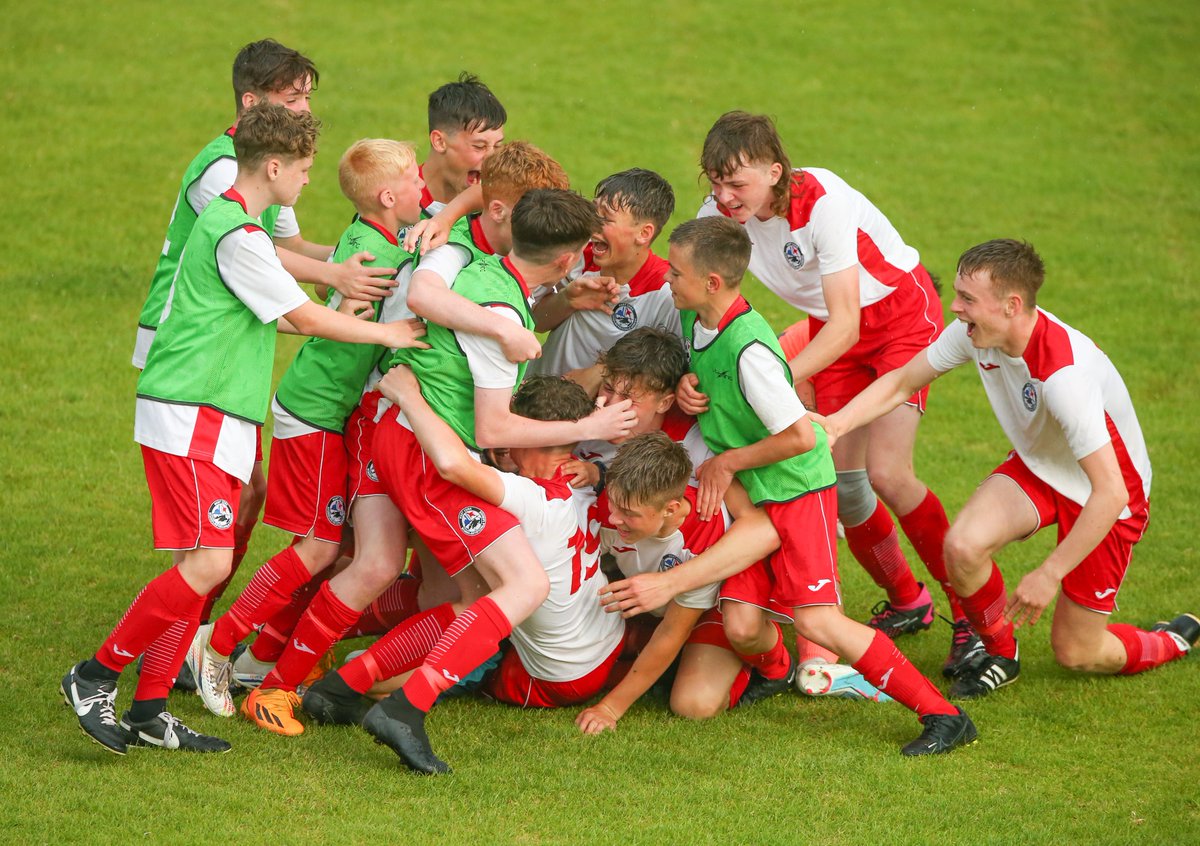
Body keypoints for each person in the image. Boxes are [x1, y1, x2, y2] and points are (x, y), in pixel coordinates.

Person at [60, 104, 428, 755]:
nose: (309, 181)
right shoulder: (238, 234)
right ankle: (94, 676)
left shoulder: (241, 228)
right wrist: (385, 332)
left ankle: (149, 709)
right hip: (192, 412)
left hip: (217, 412)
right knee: (208, 562)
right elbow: (304, 320)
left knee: (198, 565)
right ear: (275, 166)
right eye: (305, 169)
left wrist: (338, 312)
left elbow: (281, 316)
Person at [650, 216, 975, 755]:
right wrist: (689, 383)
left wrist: (728, 461)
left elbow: (802, 437)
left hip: (796, 492)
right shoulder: (695, 318)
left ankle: (943, 715)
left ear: (712, 282)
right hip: (754, 496)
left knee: (818, 620)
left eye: (676, 273)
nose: (667, 279)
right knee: (740, 624)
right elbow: (710, 375)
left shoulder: (751, 352)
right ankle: (776, 672)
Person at [821, 238, 1200, 697]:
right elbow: (902, 381)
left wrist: (1049, 573)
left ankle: (1171, 640)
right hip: (1041, 466)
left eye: (967, 299)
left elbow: (1112, 492)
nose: (955, 307)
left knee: (1078, 652)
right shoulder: (974, 334)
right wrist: (837, 424)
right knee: (962, 546)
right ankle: (1001, 652)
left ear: (1011, 305)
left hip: (1107, 493)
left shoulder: (1065, 377)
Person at [132, 40, 400, 649]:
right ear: (252, 103)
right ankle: (178, 634)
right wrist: (336, 280)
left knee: (243, 494)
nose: (304, 109)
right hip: (190, 343)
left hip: (228, 343)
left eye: (306, 96)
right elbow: (253, 252)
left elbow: (295, 247)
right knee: (215, 509)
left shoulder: (272, 159)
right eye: (291, 98)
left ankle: (188, 629)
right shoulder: (226, 169)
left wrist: (367, 256)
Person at [693, 111, 978, 675]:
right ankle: (908, 600)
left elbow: (848, 323)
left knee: (888, 474)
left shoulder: (824, 202)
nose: (724, 197)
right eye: (715, 182)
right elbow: (697, 291)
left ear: (775, 172)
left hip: (897, 318)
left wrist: (771, 381)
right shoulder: (717, 217)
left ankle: (969, 616)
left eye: (736, 183)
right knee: (846, 487)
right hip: (833, 328)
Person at [181, 138, 425, 717]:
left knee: (326, 546)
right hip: (314, 410)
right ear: (389, 197)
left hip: (324, 410)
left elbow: (326, 286)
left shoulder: (368, 236)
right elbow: (327, 303)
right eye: (416, 179)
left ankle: (252, 655)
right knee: (319, 547)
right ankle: (215, 647)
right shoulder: (379, 258)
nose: (425, 187)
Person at [303, 373, 624, 724]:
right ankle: (334, 640)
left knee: (470, 611)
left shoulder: (531, 499)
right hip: (607, 639)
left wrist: (411, 399)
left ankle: (350, 677)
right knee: (458, 582)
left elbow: (454, 466)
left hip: (552, 677)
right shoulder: (585, 480)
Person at [530, 168, 679, 377]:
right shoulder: (577, 255)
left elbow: (669, 372)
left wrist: (600, 373)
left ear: (644, 233)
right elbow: (535, 321)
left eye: (606, 219)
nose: (592, 225)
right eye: (593, 212)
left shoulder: (667, 292)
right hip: (534, 389)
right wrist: (567, 300)